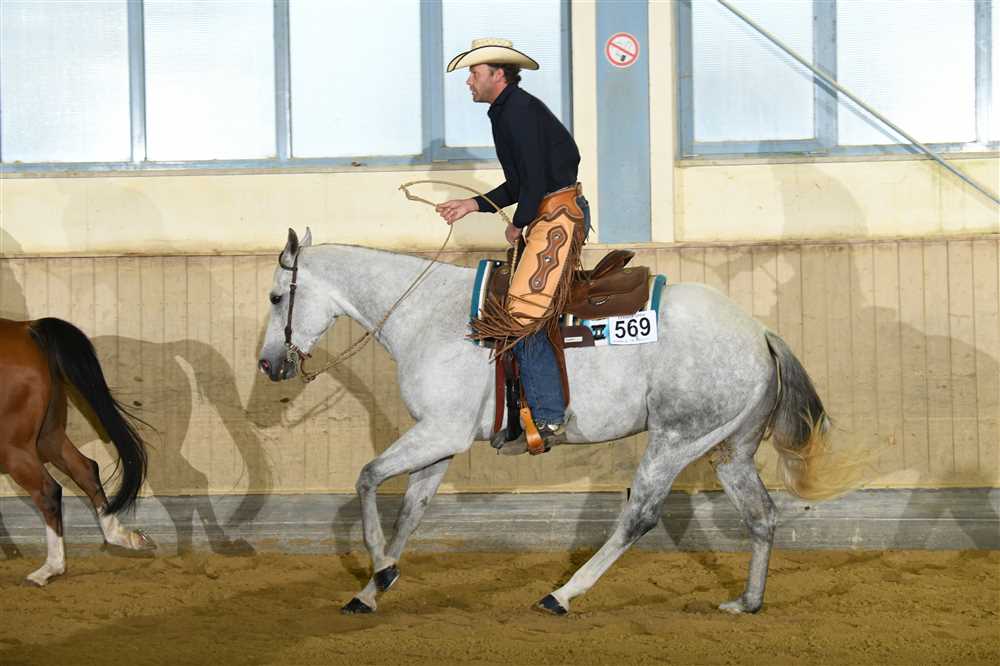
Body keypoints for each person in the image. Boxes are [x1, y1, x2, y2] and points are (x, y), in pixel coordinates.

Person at [436, 38, 590, 453]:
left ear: (497, 74)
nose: (469, 81)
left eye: (474, 73)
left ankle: (549, 416)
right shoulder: (509, 111)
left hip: (558, 215)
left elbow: (534, 178)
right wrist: (472, 204)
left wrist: (520, 223)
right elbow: (521, 183)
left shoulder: (517, 111)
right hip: (548, 212)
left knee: (522, 314)